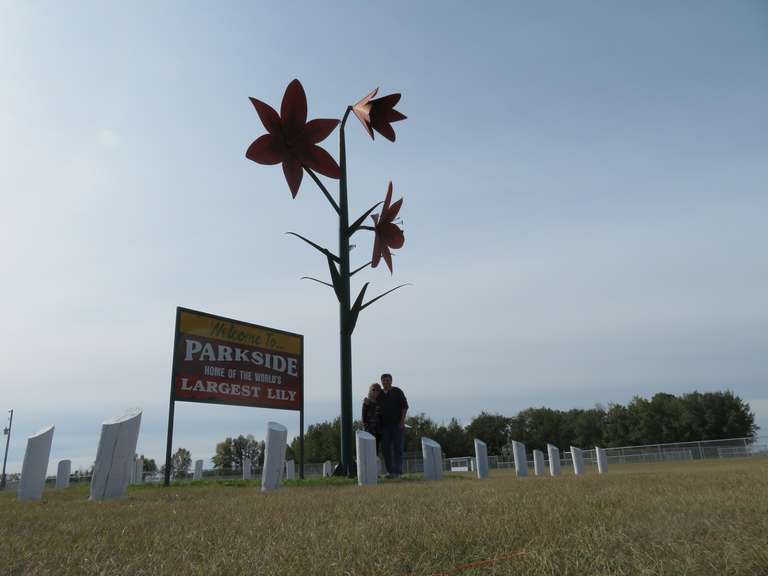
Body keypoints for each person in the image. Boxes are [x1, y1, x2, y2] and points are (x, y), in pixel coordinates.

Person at [378, 373, 408, 478]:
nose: (385, 382)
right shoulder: (379, 394)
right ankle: (390, 471)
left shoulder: (397, 391)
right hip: (384, 427)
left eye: (387, 380)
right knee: (385, 449)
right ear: (381, 382)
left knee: (398, 449)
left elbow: (404, 406)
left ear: (391, 381)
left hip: (397, 425)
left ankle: (398, 472)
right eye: (384, 380)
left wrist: (402, 421)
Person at [361, 383, 382, 452]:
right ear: (370, 391)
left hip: (378, 430)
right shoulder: (366, 402)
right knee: (368, 451)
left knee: (376, 451)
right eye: (373, 390)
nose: (375, 392)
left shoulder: (380, 402)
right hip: (369, 431)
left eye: (377, 390)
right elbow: (363, 417)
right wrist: (366, 428)